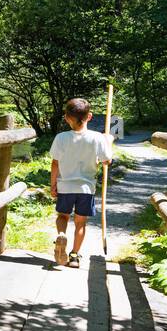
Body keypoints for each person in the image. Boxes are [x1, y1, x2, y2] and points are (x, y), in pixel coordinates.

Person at [49, 97, 111, 268]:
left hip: (65, 186)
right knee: (80, 222)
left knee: (62, 216)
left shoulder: (61, 137)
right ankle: (74, 256)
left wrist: (53, 184)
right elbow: (107, 161)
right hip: (86, 188)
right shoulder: (98, 138)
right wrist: (109, 141)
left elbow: (55, 163)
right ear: (89, 116)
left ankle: (61, 234)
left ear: (67, 117)